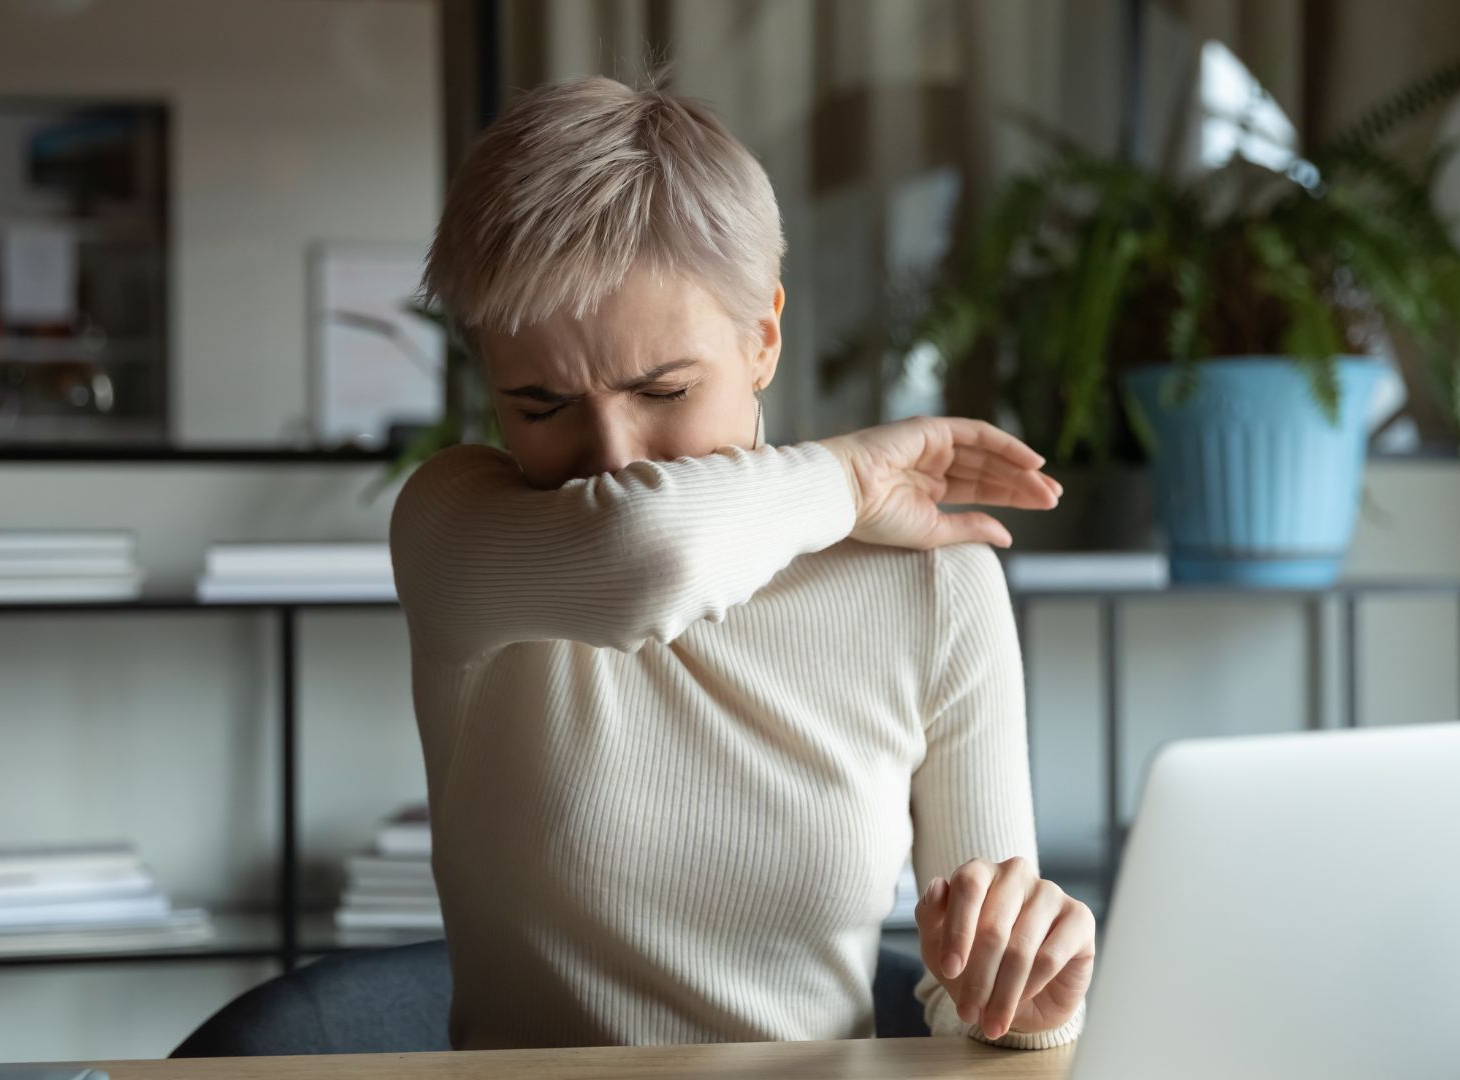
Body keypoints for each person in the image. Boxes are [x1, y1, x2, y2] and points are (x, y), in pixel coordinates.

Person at [389, 73, 1092, 1052]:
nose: (615, 458)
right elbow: (648, 553)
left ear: (763, 337)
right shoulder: (456, 526)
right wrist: (850, 474)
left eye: (665, 390)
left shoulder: (932, 583)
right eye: (539, 406)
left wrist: (1033, 999)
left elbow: (981, 997)